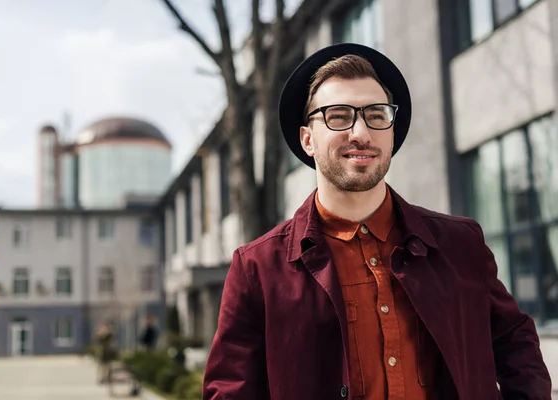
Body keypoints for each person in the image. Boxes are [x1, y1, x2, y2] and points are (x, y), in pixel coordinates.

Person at [202, 43, 552, 399]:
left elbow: (515, 341)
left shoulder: (461, 244)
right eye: (338, 116)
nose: (361, 133)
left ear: (392, 132)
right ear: (307, 139)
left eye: (377, 115)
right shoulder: (257, 269)